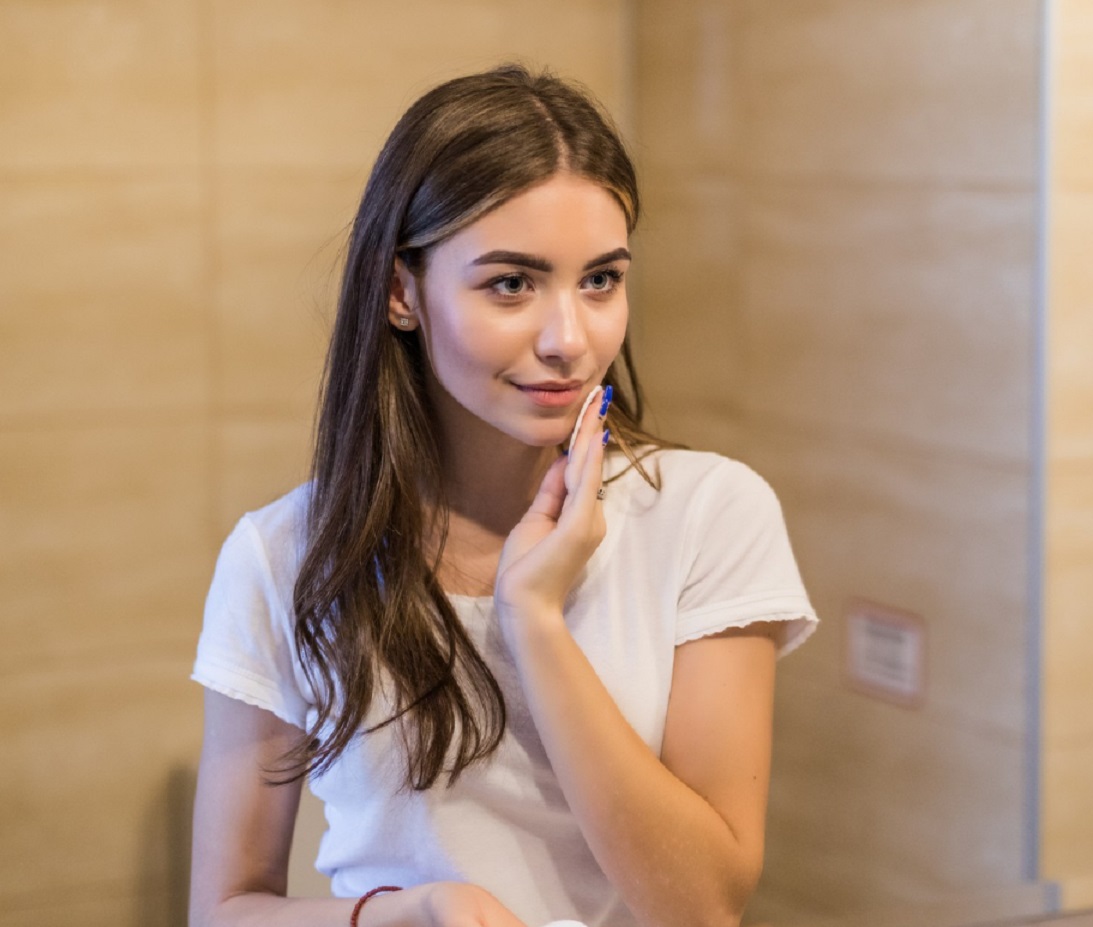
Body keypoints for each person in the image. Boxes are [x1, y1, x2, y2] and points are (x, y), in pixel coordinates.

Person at [189, 64, 817, 927]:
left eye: (600, 279)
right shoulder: (282, 555)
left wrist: (535, 617)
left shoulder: (708, 514)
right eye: (511, 284)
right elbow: (223, 910)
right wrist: (404, 915)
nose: (569, 337)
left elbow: (703, 905)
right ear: (403, 291)